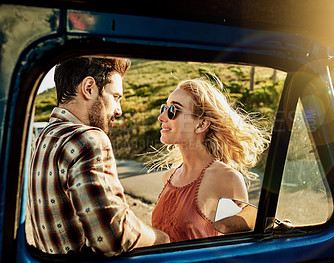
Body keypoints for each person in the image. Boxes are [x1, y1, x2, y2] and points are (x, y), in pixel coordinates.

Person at [25, 57, 169, 257]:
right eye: (116, 97)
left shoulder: (43, 138)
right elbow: (113, 237)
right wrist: (161, 239)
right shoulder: (88, 138)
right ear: (89, 88)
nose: (119, 110)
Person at [151, 77, 269, 242]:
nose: (162, 117)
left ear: (201, 124)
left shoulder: (226, 178)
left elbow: (240, 247)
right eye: (164, 108)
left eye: (173, 110)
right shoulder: (169, 178)